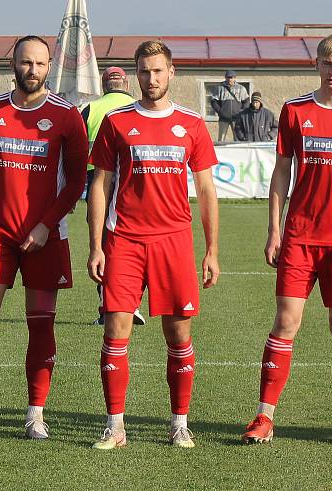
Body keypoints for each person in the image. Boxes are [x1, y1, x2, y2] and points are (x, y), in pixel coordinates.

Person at [241, 34, 332, 446]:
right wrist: (274, 228)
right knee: (285, 322)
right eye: (327, 64)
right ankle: (264, 417)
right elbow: (281, 173)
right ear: (317, 64)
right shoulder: (295, 110)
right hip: (300, 237)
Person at [0, 35, 88, 441]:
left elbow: (77, 179)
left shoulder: (66, 115)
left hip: (47, 234)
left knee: (40, 324)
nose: (34, 71)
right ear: (13, 64)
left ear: (49, 67)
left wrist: (46, 223)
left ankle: (35, 415)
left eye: (41, 64)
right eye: (27, 63)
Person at [87, 40, 219, 449]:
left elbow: (206, 189)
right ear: (136, 74)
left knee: (178, 335)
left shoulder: (192, 123)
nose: (151, 78)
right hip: (123, 239)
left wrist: (212, 249)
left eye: (158, 71)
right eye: (144, 71)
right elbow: (100, 184)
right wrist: (96, 245)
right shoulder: (117, 122)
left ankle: (179, 423)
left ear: (171, 72)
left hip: (174, 242)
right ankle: (116, 425)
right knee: (115, 329)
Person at [81, 66, 145, 327]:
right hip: (133, 181)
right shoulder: (138, 106)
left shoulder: (90, 109)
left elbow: (75, 151)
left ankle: (108, 307)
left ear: (104, 84)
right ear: (127, 84)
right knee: (136, 242)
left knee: (105, 245)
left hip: (97, 181)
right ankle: (134, 303)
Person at [210, 69, 249, 142]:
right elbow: (213, 101)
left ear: (235, 78)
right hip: (223, 118)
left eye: (231, 77)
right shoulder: (220, 88)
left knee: (237, 138)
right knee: (221, 139)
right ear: (225, 77)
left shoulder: (241, 88)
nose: (229, 79)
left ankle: (239, 153)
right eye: (228, 77)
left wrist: (241, 112)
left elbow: (246, 102)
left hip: (237, 118)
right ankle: (220, 152)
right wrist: (220, 111)